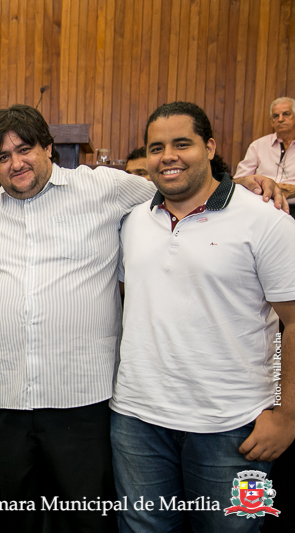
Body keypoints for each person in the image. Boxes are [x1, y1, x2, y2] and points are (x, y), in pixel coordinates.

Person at [0, 105, 286, 531]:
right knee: (15, 522)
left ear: (49, 148)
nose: (16, 163)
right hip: (2, 404)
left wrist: (247, 181)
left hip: (82, 403)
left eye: (25, 149)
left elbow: (179, 184)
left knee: (86, 520)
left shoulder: (106, 188)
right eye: (3, 156)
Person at [111, 101, 295, 532]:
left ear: (210, 146)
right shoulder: (134, 221)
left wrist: (286, 414)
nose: (167, 156)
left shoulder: (267, 221)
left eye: (182, 144)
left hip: (234, 426)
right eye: (156, 147)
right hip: (137, 422)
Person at [235, 97, 295, 194]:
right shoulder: (258, 145)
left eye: (286, 114)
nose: (280, 119)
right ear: (271, 122)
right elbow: (239, 180)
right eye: (275, 116)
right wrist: (263, 187)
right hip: (263, 202)